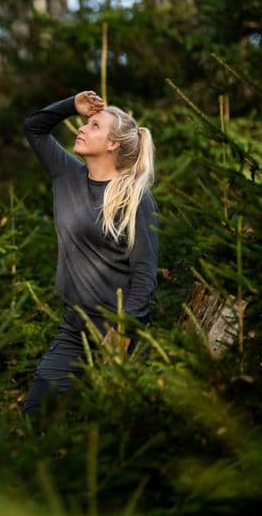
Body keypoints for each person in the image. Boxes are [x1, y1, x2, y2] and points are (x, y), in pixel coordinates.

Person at [21, 90, 159, 415]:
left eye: (94, 126)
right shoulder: (66, 175)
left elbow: (144, 273)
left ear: (113, 144)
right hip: (75, 327)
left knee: (114, 427)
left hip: (119, 331)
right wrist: (72, 105)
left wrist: (123, 331)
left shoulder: (136, 199)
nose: (81, 128)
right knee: (36, 414)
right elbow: (34, 127)